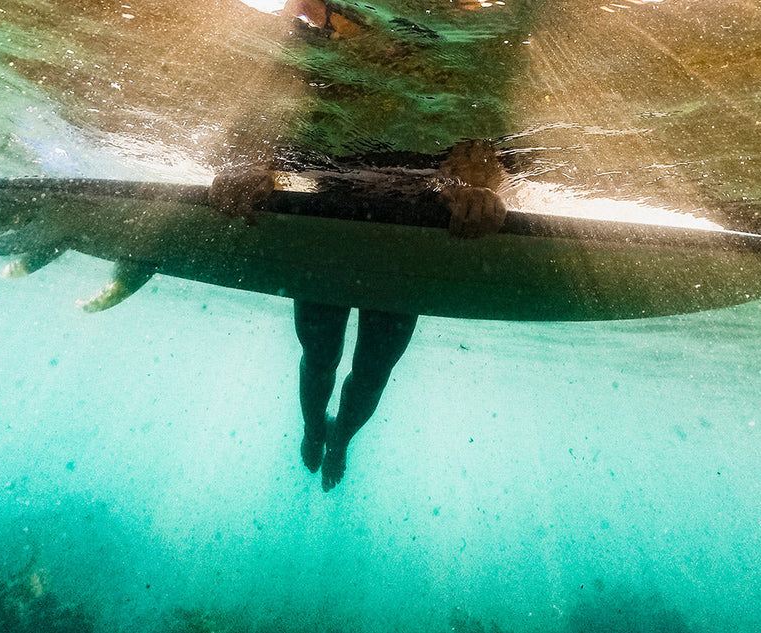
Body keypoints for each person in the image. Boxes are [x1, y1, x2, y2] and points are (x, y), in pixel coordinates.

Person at [211, 0, 536, 490]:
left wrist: (478, 189)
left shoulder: (457, 58)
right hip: (335, 229)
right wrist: (252, 169)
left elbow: (490, 149)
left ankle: (340, 441)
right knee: (320, 355)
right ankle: (313, 429)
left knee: (372, 370)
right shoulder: (314, 47)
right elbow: (271, 125)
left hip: (402, 238)